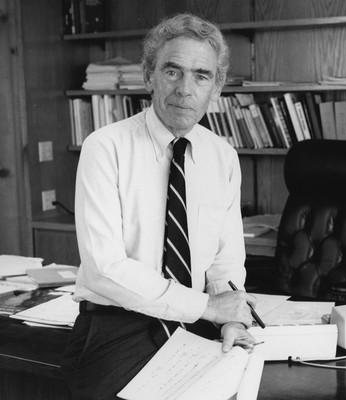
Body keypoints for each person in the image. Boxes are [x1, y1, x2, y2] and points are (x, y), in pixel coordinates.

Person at [61, 13, 257, 400]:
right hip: (118, 326)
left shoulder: (222, 156)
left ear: (216, 89)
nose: (185, 89)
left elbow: (224, 262)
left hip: (201, 323)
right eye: (172, 71)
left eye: (201, 75)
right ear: (148, 75)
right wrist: (208, 307)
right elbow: (104, 269)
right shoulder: (106, 147)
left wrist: (230, 317)